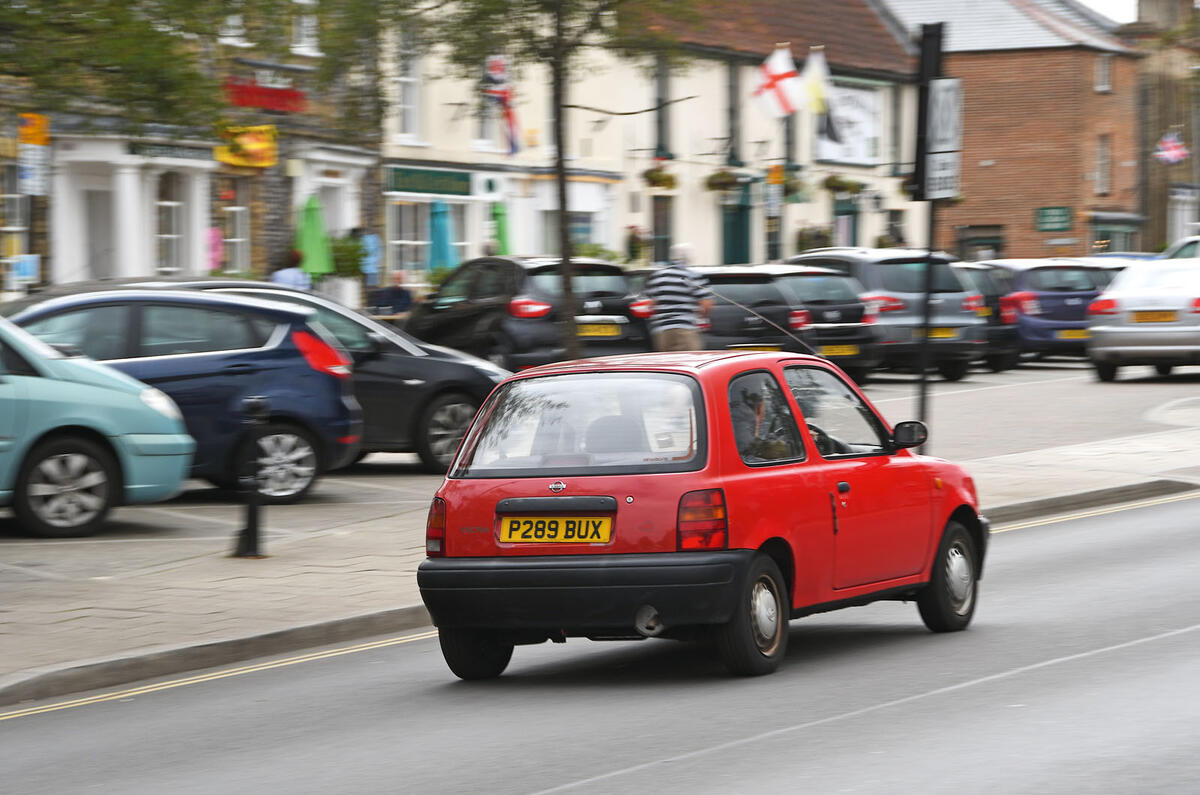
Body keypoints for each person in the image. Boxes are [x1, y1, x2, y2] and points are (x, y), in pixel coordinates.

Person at [644, 242, 713, 352]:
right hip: (685, 330)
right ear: (689, 257)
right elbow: (706, 304)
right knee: (689, 363)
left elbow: (650, 304)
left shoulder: (658, 276)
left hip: (662, 331)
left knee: (666, 366)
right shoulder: (693, 276)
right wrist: (701, 317)